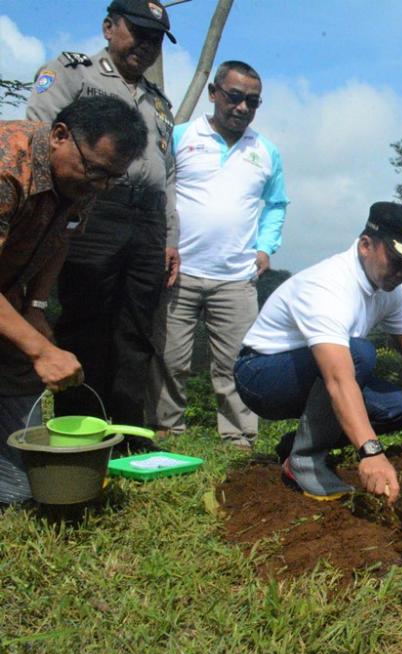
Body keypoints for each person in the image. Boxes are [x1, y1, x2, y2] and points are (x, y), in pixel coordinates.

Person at [234, 202, 402, 503]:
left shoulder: (392, 289)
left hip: (316, 373)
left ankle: (296, 446)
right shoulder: (328, 286)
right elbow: (339, 379)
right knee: (360, 353)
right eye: (397, 260)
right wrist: (371, 452)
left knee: (399, 407)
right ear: (365, 245)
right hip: (261, 376)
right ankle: (305, 460)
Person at [25, 0, 180, 439]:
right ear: (109, 27)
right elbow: (39, 137)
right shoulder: (72, 73)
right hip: (92, 207)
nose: (146, 45)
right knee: (87, 320)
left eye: (155, 39)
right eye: (139, 32)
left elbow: (168, 174)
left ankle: (128, 434)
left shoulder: (159, 102)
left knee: (137, 328)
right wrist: (53, 214)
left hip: (148, 219)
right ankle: (81, 431)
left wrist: (170, 236)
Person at [0, 96, 146, 503]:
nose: (100, 186)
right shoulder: (8, 168)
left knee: (19, 369)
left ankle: (13, 487)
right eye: (95, 171)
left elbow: (61, 237)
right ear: (60, 135)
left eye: (112, 178)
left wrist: (35, 308)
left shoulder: (81, 179)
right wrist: (41, 350)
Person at [147, 61, 288, 449]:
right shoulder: (180, 136)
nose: (242, 107)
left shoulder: (266, 151)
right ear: (213, 93)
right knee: (170, 357)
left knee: (236, 364)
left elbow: (276, 204)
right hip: (179, 270)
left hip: (236, 277)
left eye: (252, 102)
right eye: (234, 96)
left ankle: (240, 436)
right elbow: (159, 191)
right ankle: (166, 430)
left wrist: (266, 246)